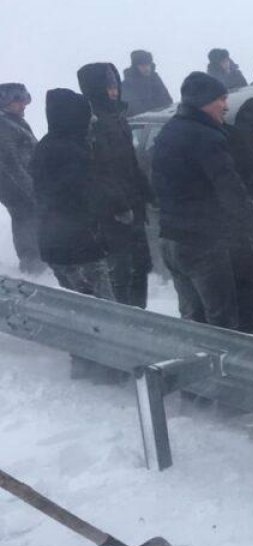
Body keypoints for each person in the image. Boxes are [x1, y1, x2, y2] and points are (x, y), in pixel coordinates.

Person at [151, 72, 253, 334]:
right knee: (222, 323)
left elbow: (157, 185)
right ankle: (225, 375)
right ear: (203, 101)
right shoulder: (207, 137)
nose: (226, 106)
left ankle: (192, 368)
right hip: (202, 242)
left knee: (193, 318)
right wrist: (250, 223)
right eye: (221, 100)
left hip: (171, 240)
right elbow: (229, 189)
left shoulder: (170, 130)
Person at [32, 89, 119, 381]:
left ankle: (83, 362)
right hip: (80, 243)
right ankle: (109, 366)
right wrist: (115, 207)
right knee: (102, 308)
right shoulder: (71, 151)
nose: (90, 120)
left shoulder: (45, 146)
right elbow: (85, 193)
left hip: (53, 242)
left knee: (76, 307)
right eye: (85, 114)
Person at [77, 63, 153, 309]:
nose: (114, 91)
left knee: (141, 265)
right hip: (113, 214)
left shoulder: (117, 117)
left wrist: (147, 191)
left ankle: (141, 316)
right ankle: (125, 321)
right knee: (122, 270)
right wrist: (119, 205)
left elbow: (130, 163)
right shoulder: (92, 123)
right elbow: (99, 172)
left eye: (115, 84)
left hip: (133, 203)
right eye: (107, 86)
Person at [0, 83, 44, 274]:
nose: (24, 105)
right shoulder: (4, 127)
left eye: (24, 100)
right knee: (26, 222)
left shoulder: (15, 121)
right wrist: (32, 189)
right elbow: (11, 163)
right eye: (18, 101)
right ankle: (32, 266)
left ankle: (36, 261)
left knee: (32, 221)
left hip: (24, 185)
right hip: (16, 188)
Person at [122, 50, 173, 117]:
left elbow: (167, 101)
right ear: (135, 66)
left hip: (160, 120)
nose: (147, 68)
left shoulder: (155, 79)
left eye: (148, 64)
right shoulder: (127, 84)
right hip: (140, 123)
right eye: (142, 65)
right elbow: (133, 108)